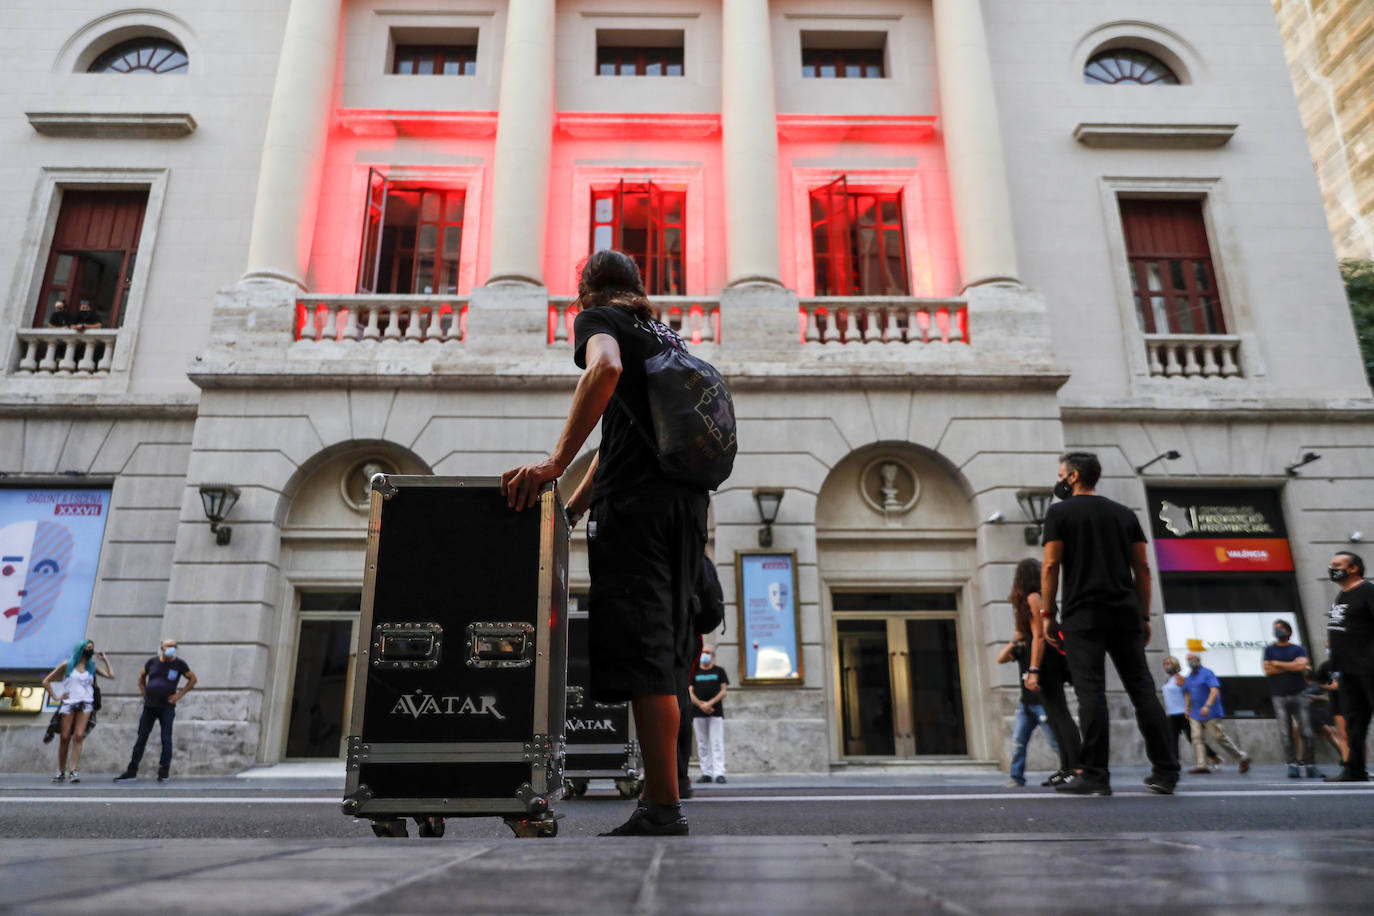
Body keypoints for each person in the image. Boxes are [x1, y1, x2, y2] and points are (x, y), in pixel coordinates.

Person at [502, 250, 709, 836]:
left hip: (639, 514)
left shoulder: (601, 321)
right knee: (664, 654)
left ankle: (663, 808)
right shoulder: (661, 332)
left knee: (643, 655)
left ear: (584, 289)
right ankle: (661, 799)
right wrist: (571, 507)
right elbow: (619, 443)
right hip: (685, 508)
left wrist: (553, 463)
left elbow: (604, 371)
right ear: (638, 285)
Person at [1039, 451, 1178, 795]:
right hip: (1125, 612)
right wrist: (1143, 615)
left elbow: (1050, 566)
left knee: (1091, 692)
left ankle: (1096, 775)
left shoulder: (1059, 513)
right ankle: (1166, 772)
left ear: (1072, 477)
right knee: (1142, 689)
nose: (1058, 480)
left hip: (1083, 614)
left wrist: (1047, 614)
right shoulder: (1123, 514)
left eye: (1060, 474)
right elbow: (1142, 569)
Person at [1001, 558, 1068, 787]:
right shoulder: (1032, 600)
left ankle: (1071, 768)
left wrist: (1033, 671)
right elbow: (1018, 641)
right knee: (1023, 739)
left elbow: (1040, 635)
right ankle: (1019, 776)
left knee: (1057, 732)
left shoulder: (1033, 597)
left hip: (1043, 672)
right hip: (1028, 697)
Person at [114, 639, 197, 783]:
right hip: (150, 706)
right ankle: (132, 771)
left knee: (166, 738)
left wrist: (179, 695)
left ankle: (164, 772)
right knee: (141, 738)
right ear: (162, 647)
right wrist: (144, 692)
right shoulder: (152, 662)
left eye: (174, 646)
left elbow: (192, 679)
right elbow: (141, 676)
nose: (171, 648)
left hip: (167, 707)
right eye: (168, 646)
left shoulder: (179, 664)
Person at [1324, 551, 1374, 781]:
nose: (1332, 568)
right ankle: (1354, 769)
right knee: (1354, 722)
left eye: (1337, 565)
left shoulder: (1368, 592)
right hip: (1348, 670)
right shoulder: (1342, 596)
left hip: (1369, 667)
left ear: (1353, 568)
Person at [40, 638, 115, 783]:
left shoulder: (91, 666)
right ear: (80, 649)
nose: (89, 650)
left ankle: (73, 770)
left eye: (91, 648)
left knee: (79, 736)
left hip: (86, 703)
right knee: (65, 737)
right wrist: (56, 696)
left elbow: (111, 675)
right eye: (87, 647)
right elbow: (46, 681)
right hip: (69, 703)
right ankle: (61, 771)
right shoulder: (67, 665)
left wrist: (105, 660)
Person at [1262, 619, 1318, 777]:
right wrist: (1291, 665)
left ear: (1288, 631)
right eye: (1275, 629)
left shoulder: (1299, 649)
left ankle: (1310, 765)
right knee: (1285, 734)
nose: (1277, 631)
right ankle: (1292, 764)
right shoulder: (1269, 650)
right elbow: (1267, 670)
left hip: (1299, 694)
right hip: (1279, 695)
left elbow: (1302, 666)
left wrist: (1277, 664)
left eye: (1279, 629)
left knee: (1307, 731)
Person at [1182, 652, 1250, 774]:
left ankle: (1241, 757)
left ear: (1198, 659)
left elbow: (1214, 691)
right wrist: (1187, 709)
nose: (1190, 661)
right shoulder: (1189, 677)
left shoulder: (1207, 673)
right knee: (1197, 738)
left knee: (1218, 737)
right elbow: (1187, 693)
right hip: (1195, 713)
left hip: (1210, 712)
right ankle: (1202, 765)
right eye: (1188, 659)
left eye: (1192, 658)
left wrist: (1207, 705)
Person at [1161, 656, 1221, 772]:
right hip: (1172, 714)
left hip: (1183, 714)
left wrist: (1189, 710)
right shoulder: (1167, 680)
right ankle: (1175, 762)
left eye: (1169, 664)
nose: (1167, 666)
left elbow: (1189, 695)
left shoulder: (1181, 679)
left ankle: (1214, 756)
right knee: (1172, 739)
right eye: (1165, 664)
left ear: (1176, 665)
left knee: (1192, 738)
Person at [689, 643, 730, 784]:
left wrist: (709, 704)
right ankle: (706, 772)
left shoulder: (719, 671)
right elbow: (690, 691)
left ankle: (719, 773)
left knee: (717, 743)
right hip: (698, 713)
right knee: (702, 743)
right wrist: (701, 705)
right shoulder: (694, 672)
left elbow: (723, 690)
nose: (704, 655)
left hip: (715, 712)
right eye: (703, 652)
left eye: (707, 652)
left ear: (713, 656)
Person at [1306, 662, 1346, 766]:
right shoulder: (1325, 667)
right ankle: (1347, 760)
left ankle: (1350, 759)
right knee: (1338, 735)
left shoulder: (1317, 685)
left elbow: (1326, 694)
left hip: (1324, 711)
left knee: (1334, 733)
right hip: (1318, 711)